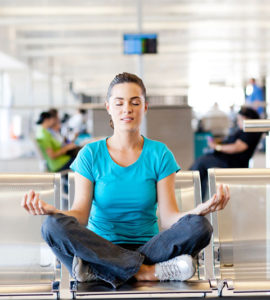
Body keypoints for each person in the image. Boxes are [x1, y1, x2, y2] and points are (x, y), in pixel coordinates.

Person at [23, 73, 229, 289]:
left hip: (150, 248)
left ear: (145, 107)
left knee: (200, 226)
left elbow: (169, 220)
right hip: (97, 246)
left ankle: (101, 270)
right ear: (108, 107)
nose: (127, 109)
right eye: (119, 102)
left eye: (135, 102)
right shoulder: (90, 154)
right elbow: (80, 216)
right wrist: (53, 211)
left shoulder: (159, 153)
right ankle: (147, 272)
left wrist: (198, 210)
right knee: (52, 226)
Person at [190, 106, 261, 199]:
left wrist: (217, 147)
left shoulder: (249, 132)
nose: (238, 121)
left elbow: (237, 147)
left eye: (240, 119)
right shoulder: (242, 130)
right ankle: (195, 196)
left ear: (248, 119)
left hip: (233, 163)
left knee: (201, 163)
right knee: (200, 164)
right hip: (226, 159)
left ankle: (195, 198)